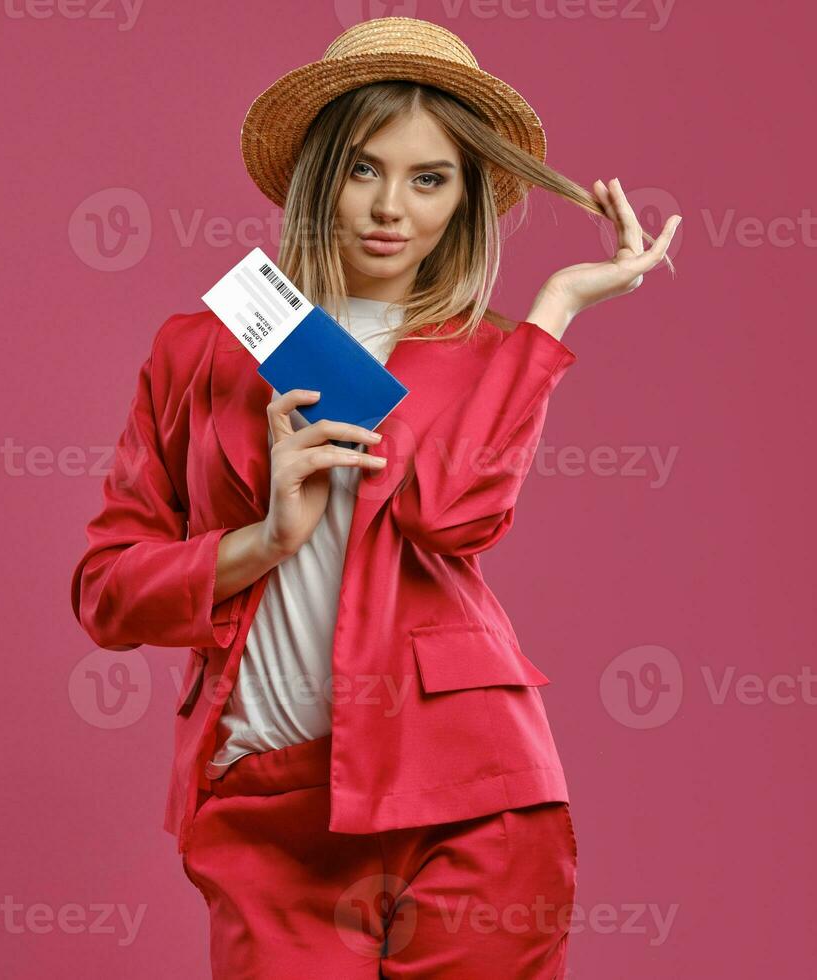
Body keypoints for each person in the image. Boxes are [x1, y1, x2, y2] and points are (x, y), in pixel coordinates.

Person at [70, 16, 678, 979]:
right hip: (266, 797)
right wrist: (267, 538)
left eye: (428, 178)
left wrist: (553, 310)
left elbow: (452, 517)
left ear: (463, 200)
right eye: (363, 169)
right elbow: (108, 592)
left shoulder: (486, 354)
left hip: (468, 788)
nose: (390, 207)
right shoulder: (198, 352)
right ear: (319, 176)